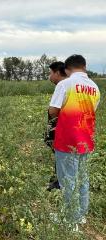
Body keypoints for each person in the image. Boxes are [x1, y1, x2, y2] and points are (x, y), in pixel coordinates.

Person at [49, 55, 100, 227]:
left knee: (68, 180)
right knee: (82, 178)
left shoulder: (65, 84)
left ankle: (70, 220)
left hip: (67, 140)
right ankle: (80, 215)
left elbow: (53, 111)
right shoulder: (95, 87)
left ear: (67, 69)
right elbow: (91, 111)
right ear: (84, 67)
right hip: (86, 139)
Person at [45, 61, 67, 191]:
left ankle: (59, 182)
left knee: (60, 153)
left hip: (61, 126)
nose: (49, 77)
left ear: (57, 73)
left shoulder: (62, 85)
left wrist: (53, 127)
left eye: (50, 73)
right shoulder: (73, 85)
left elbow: (53, 110)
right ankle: (58, 179)